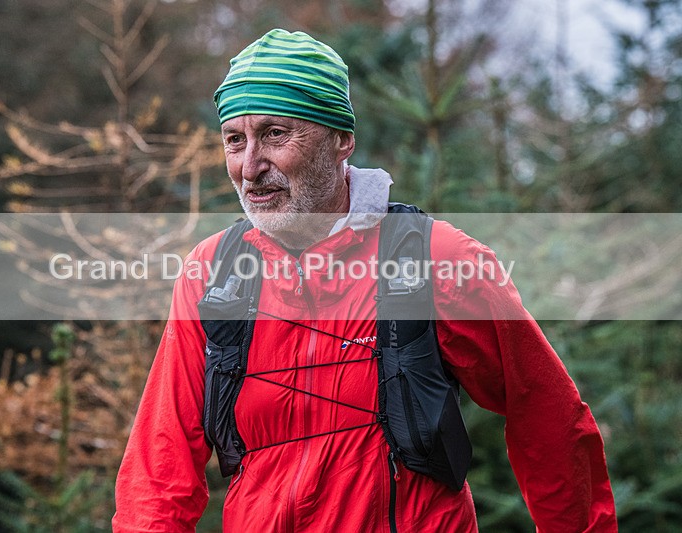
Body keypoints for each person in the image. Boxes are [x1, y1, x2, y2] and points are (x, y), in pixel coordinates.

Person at [113, 29, 617, 532]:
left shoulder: (435, 259)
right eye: (234, 140)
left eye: (274, 134)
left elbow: (548, 414)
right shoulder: (212, 274)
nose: (250, 167)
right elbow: (160, 465)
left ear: (341, 140)